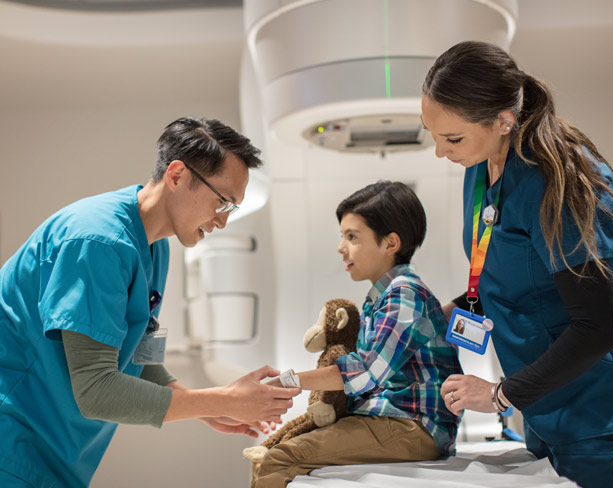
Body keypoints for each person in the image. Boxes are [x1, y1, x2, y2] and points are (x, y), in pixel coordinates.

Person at [0, 117, 300, 488]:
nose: (222, 221)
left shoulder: (156, 247)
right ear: (176, 175)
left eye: (232, 208)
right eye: (222, 202)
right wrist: (221, 398)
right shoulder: (98, 242)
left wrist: (207, 405)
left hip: (53, 454)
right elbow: (97, 391)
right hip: (14, 442)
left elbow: (139, 356)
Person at [420, 40, 613, 488]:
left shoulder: (557, 181)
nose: (439, 152)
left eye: (451, 138)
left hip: (596, 410)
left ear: (504, 120)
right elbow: (503, 278)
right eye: (431, 134)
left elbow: (599, 325)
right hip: (545, 401)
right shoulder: (481, 164)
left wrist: (500, 396)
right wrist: (435, 319)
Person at [251, 181, 463, 488]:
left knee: (280, 458)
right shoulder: (381, 297)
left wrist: (288, 381)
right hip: (393, 419)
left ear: (390, 243)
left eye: (352, 236)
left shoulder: (404, 296)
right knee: (275, 450)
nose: (341, 247)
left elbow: (363, 373)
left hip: (415, 425)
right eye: (342, 236)